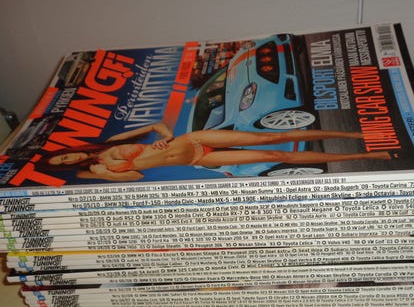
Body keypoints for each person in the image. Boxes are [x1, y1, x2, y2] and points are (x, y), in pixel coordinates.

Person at [38, 121, 393, 182]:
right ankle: (365, 156)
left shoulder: (112, 142)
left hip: (187, 141)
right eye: (64, 162)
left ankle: (356, 132)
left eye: (66, 154)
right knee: (276, 157)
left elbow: (158, 126)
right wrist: (101, 174)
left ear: (73, 150)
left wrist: (165, 137)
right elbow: (137, 175)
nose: (70, 159)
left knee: (272, 138)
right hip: (198, 158)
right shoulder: (99, 171)